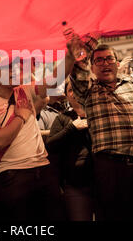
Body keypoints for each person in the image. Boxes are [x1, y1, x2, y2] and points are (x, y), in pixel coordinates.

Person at [0, 38, 76, 221]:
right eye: (6, 68)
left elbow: (54, 81)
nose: (14, 71)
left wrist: (70, 56)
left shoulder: (25, 90)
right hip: (13, 176)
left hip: (44, 170)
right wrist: (21, 116)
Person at [69, 32, 133, 221]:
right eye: (99, 61)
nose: (105, 63)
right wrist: (92, 37)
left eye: (109, 59)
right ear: (92, 68)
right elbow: (78, 70)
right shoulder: (88, 91)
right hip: (111, 168)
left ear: (117, 64)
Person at [44, 79, 94, 220]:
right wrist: (72, 128)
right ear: (66, 96)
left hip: (103, 180)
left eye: (77, 87)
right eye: (70, 90)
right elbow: (50, 145)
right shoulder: (63, 118)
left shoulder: (98, 113)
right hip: (75, 186)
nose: (74, 92)